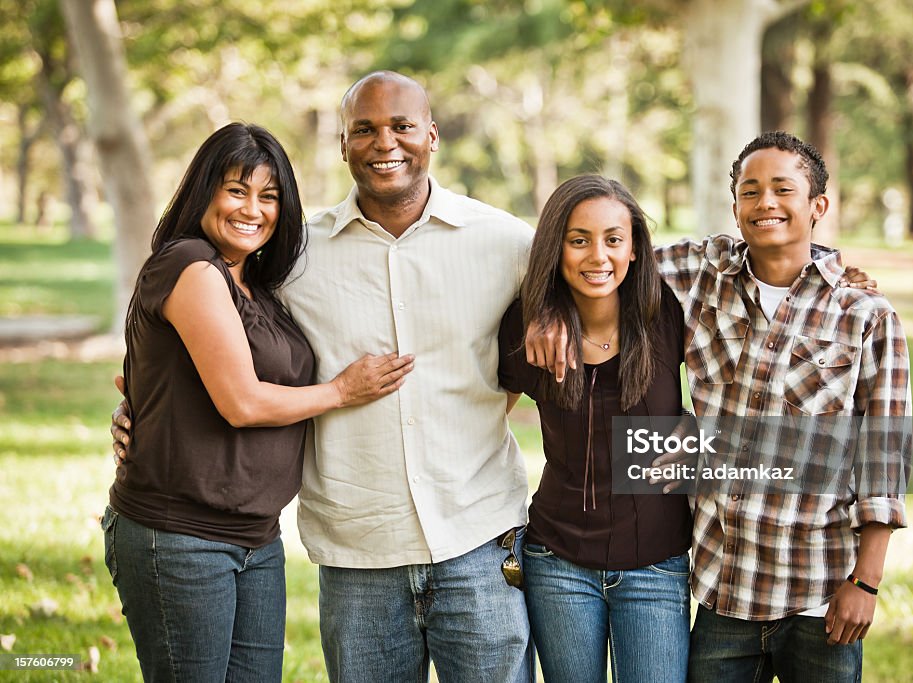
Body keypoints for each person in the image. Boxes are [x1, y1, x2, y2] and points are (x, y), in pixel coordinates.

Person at [116, 72, 536, 681]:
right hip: (357, 546)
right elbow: (181, 343)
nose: (383, 142)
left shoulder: (506, 242)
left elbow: (564, 333)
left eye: (401, 126)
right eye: (363, 129)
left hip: (476, 535)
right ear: (342, 144)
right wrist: (134, 410)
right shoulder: (292, 256)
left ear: (433, 135)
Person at [528, 131, 909, 681]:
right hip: (721, 592)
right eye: (750, 191)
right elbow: (594, 261)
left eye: (783, 190)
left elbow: (884, 460)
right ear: (735, 206)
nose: (766, 203)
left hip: (819, 593)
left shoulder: (866, 315)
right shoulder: (698, 275)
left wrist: (866, 582)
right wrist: (547, 309)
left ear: (818, 206)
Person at [103, 122, 414, 682]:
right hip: (179, 536)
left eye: (268, 196)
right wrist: (343, 390)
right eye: (236, 190)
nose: (253, 209)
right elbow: (241, 402)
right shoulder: (192, 267)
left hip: (255, 539)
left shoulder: (258, 285)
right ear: (204, 192)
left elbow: (150, 379)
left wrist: (137, 408)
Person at [498, 175, 692, 682]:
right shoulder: (528, 328)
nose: (597, 257)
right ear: (556, 249)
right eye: (578, 240)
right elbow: (479, 411)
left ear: (633, 248)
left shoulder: (668, 312)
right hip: (557, 560)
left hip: (656, 561)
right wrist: (539, 313)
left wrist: (697, 437)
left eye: (613, 239)